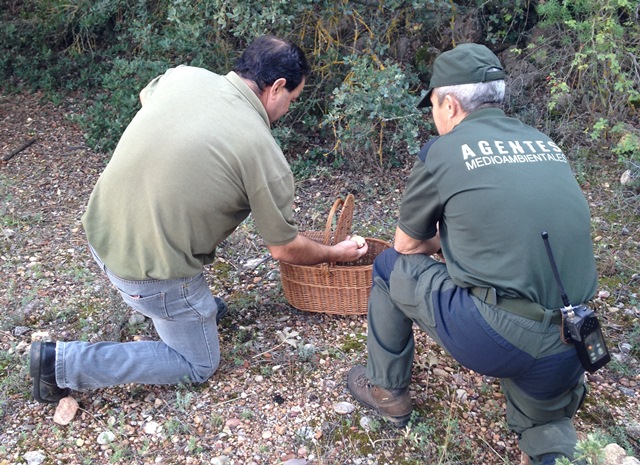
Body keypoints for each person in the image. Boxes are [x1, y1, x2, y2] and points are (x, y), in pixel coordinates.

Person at [30, 35, 368, 404]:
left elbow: (148, 98)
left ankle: (189, 312)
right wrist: (335, 252)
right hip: (147, 276)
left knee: (191, 301)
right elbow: (284, 248)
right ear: (277, 88)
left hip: (99, 234)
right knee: (198, 363)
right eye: (292, 99)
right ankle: (61, 364)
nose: (288, 109)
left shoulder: (183, 77)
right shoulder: (261, 151)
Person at [346, 43, 598, 465]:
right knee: (545, 427)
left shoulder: (444, 151)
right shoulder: (544, 143)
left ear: (448, 104)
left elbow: (406, 245)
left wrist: (447, 241)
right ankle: (549, 445)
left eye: (431, 106)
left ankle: (386, 391)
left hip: (494, 339)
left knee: (390, 267)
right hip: (572, 338)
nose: (433, 115)